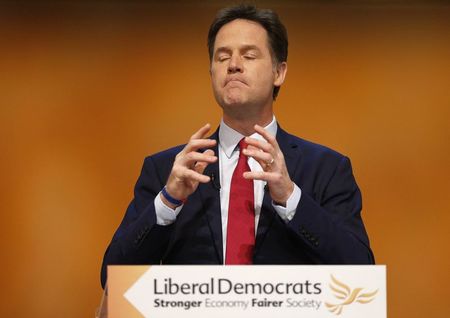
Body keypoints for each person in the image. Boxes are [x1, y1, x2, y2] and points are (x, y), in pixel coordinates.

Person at [100, 4, 374, 289]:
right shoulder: (169, 170)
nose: (233, 64)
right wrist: (168, 201)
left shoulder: (326, 169)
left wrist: (291, 198)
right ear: (211, 73)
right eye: (222, 57)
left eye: (249, 55)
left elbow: (362, 276)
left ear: (279, 72)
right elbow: (112, 279)